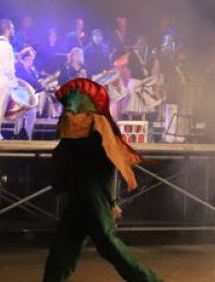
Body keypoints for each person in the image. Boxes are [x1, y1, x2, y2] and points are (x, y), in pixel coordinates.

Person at [41, 78, 162, 282]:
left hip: (93, 193)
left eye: (73, 101)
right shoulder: (77, 126)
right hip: (79, 193)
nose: (67, 108)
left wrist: (111, 201)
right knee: (64, 246)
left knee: (106, 242)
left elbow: (111, 163)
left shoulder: (97, 123)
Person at [14, 48, 43, 139]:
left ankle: (28, 136)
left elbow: (37, 83)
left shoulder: (32, 71)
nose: (30, 62)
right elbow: (28, 80)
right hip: (20, 95)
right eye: (28, 59)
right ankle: (17, 135)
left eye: (31, 60)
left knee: (32, 114)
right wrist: (38, 83)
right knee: (21, 114)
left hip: (30, 97)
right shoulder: (19, 69)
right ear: (22, 60)